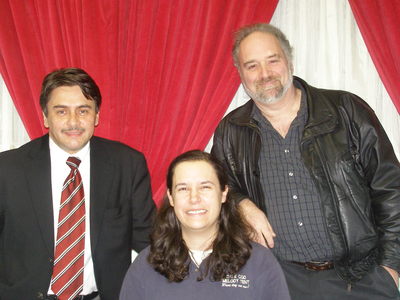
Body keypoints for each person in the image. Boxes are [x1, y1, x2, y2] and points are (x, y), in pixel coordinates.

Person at [211, 23, 400, 300]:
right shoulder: (231, 131)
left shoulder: (346, 111)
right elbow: (216, 190)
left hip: (359, 278)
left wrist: (390, 267)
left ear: (289, 60)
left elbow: (391, 189)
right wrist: (243, 205)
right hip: (279, 281)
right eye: (251, 66)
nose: (264, 74)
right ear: (239, 72)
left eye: (272, 60)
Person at [0, 68, 156, 300]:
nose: (73, 122)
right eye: (61, 111)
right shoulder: (8, 169)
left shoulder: (127, 165)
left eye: (83, 111)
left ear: (96, 116)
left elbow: (150, 240)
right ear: (45, 117)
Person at [119, 150, 291, 300]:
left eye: (205, 187)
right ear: (171, 198)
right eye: (183, 189)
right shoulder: (146, 264)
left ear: (223, 193)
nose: (194, 198)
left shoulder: (259, 262)